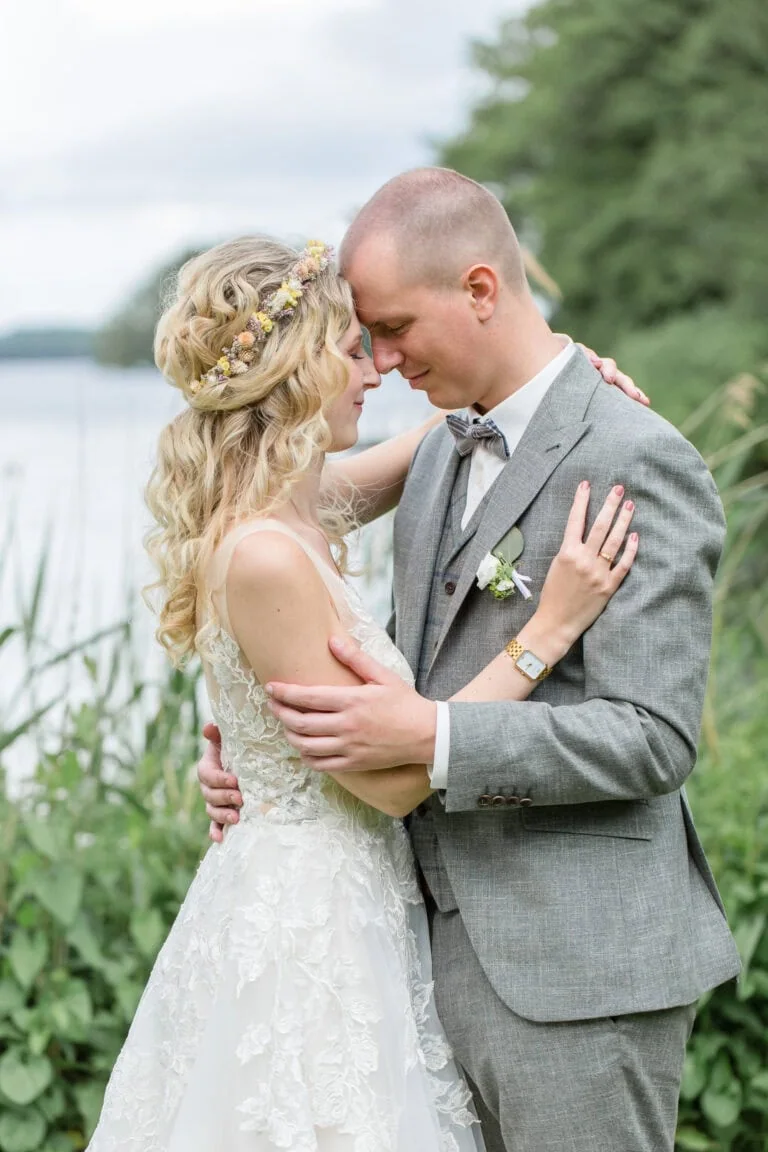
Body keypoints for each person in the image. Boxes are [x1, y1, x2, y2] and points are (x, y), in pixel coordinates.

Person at [200, 170, 742, 1152]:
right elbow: (286, 563)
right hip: (408, 966)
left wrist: (437, 739)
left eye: (398, 327)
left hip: (578, 978)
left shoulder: (632, 455)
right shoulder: (440, 446)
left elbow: (653, 738)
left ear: (482, 290)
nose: (382, 359)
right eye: (363, 337)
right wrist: (263, 753)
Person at [87, 232, 643, 1152]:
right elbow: (391, 783)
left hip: (346, 890)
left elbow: (431, 438)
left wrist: (561, 380)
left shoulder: (295, 504)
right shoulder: (267, 551)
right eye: (354, 351)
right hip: (313, 921)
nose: (376, 371)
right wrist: (548, 630)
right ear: (300, 371)